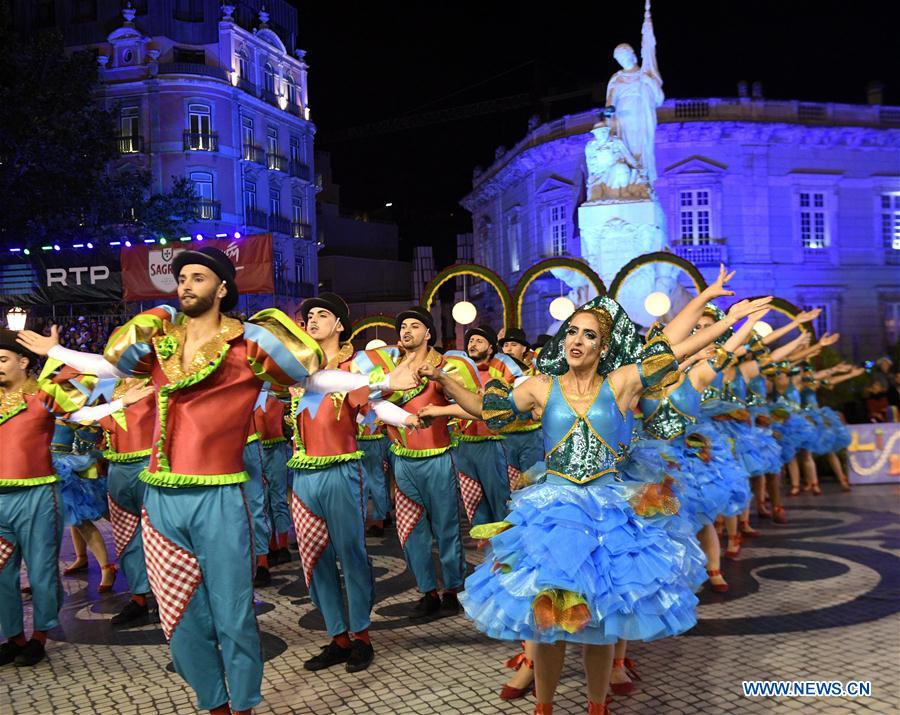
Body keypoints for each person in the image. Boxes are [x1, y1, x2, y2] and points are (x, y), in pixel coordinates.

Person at [19, 247, 324, 715]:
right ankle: (213, 702)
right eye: (181, 278)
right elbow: (113, 360)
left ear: (222, 288)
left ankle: (241, 705)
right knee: (178, 616)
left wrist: (259, 327)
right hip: (160, 496)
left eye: (198, 278)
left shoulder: (249, 344)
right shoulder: (161, 343)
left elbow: (305, 367)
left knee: (234, 612)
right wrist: (59, 350)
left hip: (220, 495)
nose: (185, 285)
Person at [427, 295, 723, 715]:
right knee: (548, 625)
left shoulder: (618, 383)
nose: (576, 340)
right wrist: (444, 377)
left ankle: (596, 706)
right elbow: (485, 409)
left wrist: (721, 318)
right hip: (553, 512)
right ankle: (544, 707)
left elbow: (674, 352)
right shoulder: (538, 387)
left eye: (589, 335)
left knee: (598, 625)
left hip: (609, 511)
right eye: (571, 332)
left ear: (603, 348)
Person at [287, 292, 419, 673]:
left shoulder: (353, 367)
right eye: (309, 315)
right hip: (302, 474)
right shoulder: (296, 369)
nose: (312, 320)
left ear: (340, 324)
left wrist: (406, 420)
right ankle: (337, 637)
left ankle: (361, 636)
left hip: (341, 472)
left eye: (322, 314)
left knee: (352, 555)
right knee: (314, 561)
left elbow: (375, 406)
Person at [0, 333, 146, 667]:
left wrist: (120, 404)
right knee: (2, 573)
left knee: (40, 570)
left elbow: (80, 417)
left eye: (3, 359)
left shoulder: (44, 394)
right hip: (0, 501)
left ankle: (39, 636)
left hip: (37, 497)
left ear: (23, 362)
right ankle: (13, 638)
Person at [380, 307, 480, 619]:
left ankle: (451, 589)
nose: (407, 331)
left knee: (447, 527)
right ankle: (427, 591)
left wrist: (442, 411)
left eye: (414, 326)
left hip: (439, 458)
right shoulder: (387, 372)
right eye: (403, 326)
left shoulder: (449, 366)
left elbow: (476, 408)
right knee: (410, 530)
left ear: (428, 334)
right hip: (403, 460)